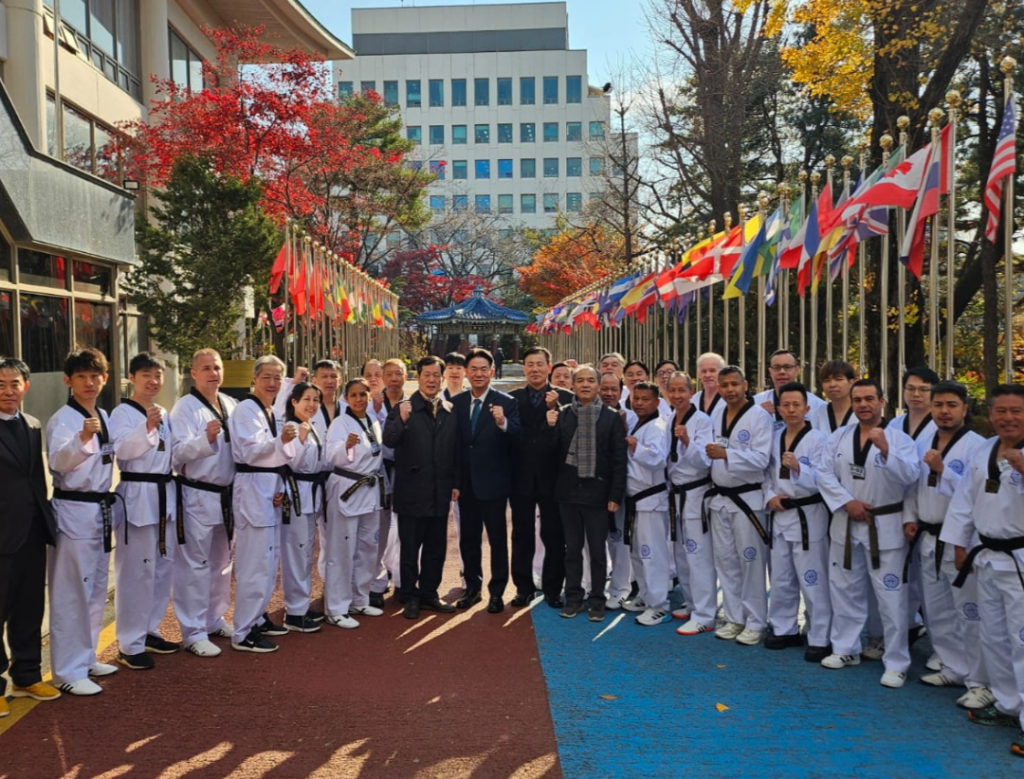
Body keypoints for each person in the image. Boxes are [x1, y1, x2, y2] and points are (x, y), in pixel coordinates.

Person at [816, 378, 919, 688]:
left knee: (891, 598)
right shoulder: (838, 437)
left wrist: (887, 451)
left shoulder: (899, 439)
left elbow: (911, 476)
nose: (863, 404)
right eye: (858, 399)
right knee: (845, 590)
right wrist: (847, 502)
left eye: (869, 399)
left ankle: (897, 661)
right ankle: (846, 648)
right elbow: (821, 473)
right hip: (847, 523)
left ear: (882, 401)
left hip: (884, 526)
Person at [943, 384, 1024, 755]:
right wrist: (959, 544)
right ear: (990, 414)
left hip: (1020, 558)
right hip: (987, 554)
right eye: (1001, 411)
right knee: (994, 636)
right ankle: (1009, 705)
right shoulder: (984, 449)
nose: (1008, 418)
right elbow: (964, 499)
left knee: (1022, 640)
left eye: (1016, 411)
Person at [902, 380, 989, 700]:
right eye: (938, 405)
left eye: (951, 405)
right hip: (927, 535)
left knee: (967, 611)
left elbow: (976, 496)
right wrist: (910, 517)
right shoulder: (923, 439)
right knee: (936, 609)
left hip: (960, 541)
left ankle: (979, 679)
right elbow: (912, 484)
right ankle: (953, 667)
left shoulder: (978, 446)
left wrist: (942, 470)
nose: (944, 411)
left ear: (965, 409)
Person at [47, 347, 118, 695]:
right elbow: (59, 463)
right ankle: (67, 671)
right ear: (68, 380)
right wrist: (83, 439)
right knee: (71, 592)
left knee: (93, 590)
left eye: (95, 376)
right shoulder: (64, 419)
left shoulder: (103, 415)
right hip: (73, 509)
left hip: (99, 509)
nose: (89, 382)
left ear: (105, 379)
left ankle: (86, 656)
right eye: (81, 377)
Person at [110, 353, 180, 670]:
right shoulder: (122, 413)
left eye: (157, 374)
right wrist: (147, 428)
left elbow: (172, 452)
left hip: (164, 493)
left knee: (161, 569)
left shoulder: (163, 411)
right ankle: (129, 643)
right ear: (131, 378)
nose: (152, 381)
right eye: (145, 375)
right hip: (137, 493)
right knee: (135, 573)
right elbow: (122, 450)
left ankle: (150, 629)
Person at [0, 357, 60, 713]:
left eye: (14, 384)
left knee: (29, 607)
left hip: (31, 533)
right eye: (1, 384)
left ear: (27, 386)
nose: (8, 391)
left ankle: (27, 675)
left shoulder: (34, 424)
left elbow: (36, 480)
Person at [228, 356, 299, 653]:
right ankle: (242, 631)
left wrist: (279, 484)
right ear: (254, 379)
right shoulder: (246, 410)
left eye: (277, 378)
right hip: (252, 488)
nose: (272, 383)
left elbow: (276, 455)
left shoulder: (269, 410)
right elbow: (251, 452)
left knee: (268, 564)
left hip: (268, 488)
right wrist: (280, 440)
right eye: (266, 377)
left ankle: (257, 618)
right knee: (253, 565)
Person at [546, 365, 627, 622]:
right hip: (568, 493)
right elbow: (550, 454)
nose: (585, 385)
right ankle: (573, 597)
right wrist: (549, 427)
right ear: (572, 385)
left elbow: (618, 460)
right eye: (579, 380)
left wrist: (615, 495)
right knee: (572, 549)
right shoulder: (563, 415)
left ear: (598, 385)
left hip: (598, 493)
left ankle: (597, 599)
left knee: (597, 551)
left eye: (590, 380)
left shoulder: (611, 417)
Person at [170, 349, 236, 658]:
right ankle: (193, 631)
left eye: (217, 367)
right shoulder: (184, 408)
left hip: (225, 494)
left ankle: (214, 617)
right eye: (206, 368)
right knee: (194, 565)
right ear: (193, 373)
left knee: (221, 563)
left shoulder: (231, 404)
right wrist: (205, 440)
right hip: (196, 493)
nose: (213, 373)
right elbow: (176, 454)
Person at [382, 356, 460, 620]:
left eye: (436, 375)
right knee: (409, 548)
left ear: (442, 378)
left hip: (440, 492)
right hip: (412, 492)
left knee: (436, 548)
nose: (431, 379)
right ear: (418, 377)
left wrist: (456, 483)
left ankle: (429, 593)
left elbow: (456, 453)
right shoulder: (405, 407)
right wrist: (401, 420)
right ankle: (410, 596)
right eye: (426, 374)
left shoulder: (449, 410)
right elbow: (389, 441)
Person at [704, 365, 773, 646]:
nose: (730, 390)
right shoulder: (716, 413)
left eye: (735, 384)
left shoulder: (759, 417)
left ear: (746, 385)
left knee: (750, 562)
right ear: (718, 388)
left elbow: (762, 459)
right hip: (720, 499)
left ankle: (756, 621)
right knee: (726, 561)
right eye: (724, 385)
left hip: (747, 500)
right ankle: (735, 618)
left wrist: (727, 454)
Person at [764, 382, 832, 661]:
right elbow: (766, 474)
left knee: (812, 578)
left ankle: (819, 635)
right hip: (781, 514)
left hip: (808, 516)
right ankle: (783, 628)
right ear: (778, 409)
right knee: (781, 578)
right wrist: (769, 496)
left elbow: (825, 479)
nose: (791, 410)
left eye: (796, 405)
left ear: (806, 408)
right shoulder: (774, 436)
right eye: (786, 405)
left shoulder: (818, 439)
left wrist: (799, 468)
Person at [453, 348, 521, 613]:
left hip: (494, 484)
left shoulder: (507, 402)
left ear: (491, 372)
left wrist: (503, 422)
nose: (478, 374)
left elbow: (517, 434)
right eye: (474, 369)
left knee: (496, 541)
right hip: (466, 485)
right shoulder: (457, 404)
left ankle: (497, 592)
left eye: (484, 369)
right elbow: (454, 445)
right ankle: (472, 589)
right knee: (468, 540)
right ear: (466, 373)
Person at [509, 347, 573, 608]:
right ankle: (523, 588)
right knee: (521, 535)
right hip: (521, 478)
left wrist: (554, 408)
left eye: (539, 364)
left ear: (549, 367)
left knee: (554, 536)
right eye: (529, 364)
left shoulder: (566, 398)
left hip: (554, 479)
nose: (534, 369)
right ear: (524, 368)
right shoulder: (511, 400)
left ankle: (553, 589)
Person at [324, 378, 389, 628]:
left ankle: (359, 599)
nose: (359, 399)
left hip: (370, 491)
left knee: (367, 548)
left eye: (363, 394)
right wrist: (345, 447)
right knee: (341, 551)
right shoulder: (340, 423)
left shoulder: (372, 419)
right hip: (348, 489)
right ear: (346, 398)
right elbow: (330, 455)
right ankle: (336, 607)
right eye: (354, 395)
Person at [664, 371, 715, 636]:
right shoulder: (671, 417)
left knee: (699, 556)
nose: (676, 395)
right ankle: (692, 603)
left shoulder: (702, 420)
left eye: (681, 390)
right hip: (676, 495)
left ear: (691, 391)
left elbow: (705, 462)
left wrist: (687, 441)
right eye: (672, 390)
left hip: (695, 494)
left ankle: (705, 614)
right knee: (682, 554)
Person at [621, 382, 672, 626]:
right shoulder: (636, 422)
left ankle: (659, 605)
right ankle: (644, 594)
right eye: (636, 398)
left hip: (651, 498)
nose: (639, 403)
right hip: (636, 499)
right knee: (638, 553)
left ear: (657, 402)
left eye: (645, 399)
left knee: (653, 554)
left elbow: (658, 459)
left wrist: (636, 447)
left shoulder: (658, 426)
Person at [282, 382, 329, 633]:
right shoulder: (291, 427)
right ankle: (294, 612)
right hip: (297, 493)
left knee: (305, 551)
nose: (311, 404)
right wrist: (299, 438)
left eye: (315, 400)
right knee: (296, 553)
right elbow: (292, 460)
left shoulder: (313, 427)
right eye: (306, 399)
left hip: (312, 493)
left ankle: (300, 604)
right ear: (294, 402)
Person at [368, 358, 405, 608]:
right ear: (382, 377)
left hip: (405, 472)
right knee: (378, 530)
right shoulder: (371, 405)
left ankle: (402, 579)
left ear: (405, 376)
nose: (393, 378)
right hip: (378, 473)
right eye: (388, 374)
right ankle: (376, 583)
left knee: (404, 530)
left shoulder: (414, 403)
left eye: (398, 373)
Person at [598, 372, 634, 609]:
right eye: (605, 388)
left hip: (619, 487)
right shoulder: (588, 412)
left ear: (621, 391)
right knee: (592, 542)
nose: (609, 393)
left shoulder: (631, 416)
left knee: (619, 540)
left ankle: (620, 589)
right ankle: (593, 587)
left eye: (614, 389)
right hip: (591, 488)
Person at [755, 349, 826, 428]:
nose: (782, 372)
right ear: (770, 371)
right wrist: (758, 416)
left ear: (797, 370)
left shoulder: (818, 406)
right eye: (777, 367)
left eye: (787, 367)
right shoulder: (756, 404)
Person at [894, 367, 939, 441]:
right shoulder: (895, 424)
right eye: (911, 389)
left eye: (923, 389)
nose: (916, 394)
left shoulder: (940, 425)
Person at [812, 360, 856, 433]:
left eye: (838, 379)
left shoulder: (862, 411)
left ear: (851, 382)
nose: (832, 384)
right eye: (826, 380)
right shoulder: (817, 414)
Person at [692, 352, 725, 417]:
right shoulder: (692, 401)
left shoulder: (729, 400)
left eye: (712, 371)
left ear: (722, 373)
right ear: (699, 374)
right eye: (704, 371)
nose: (707, 375)